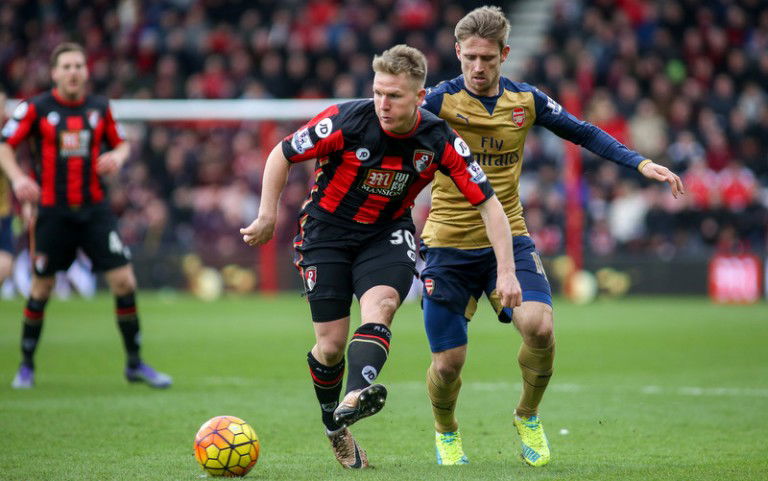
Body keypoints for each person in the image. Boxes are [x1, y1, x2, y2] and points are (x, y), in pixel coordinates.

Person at [420, 6, 685, 467]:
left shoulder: (526, 101)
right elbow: (388, 133)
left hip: (511, 236)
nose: (478, 68)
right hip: (447, 242)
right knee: (448, 364)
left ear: (505, 54)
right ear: (457, 53)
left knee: (540, 327)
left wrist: (640, 163)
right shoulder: (437, 102)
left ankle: (528, 415)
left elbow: (583, 133)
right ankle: (446, 431)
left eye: (488, 58)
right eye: (470, 59)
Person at [240, 44, 522, 470]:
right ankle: (335, 427)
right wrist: (266, 215)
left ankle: (355, 394)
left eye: (394, 96)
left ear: (419, 96)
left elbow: (489, 204)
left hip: (386, 233)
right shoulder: (346, 120)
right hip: (326, 234)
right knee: (330, 347)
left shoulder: (439, 138)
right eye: (378, 93)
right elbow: (282, 153)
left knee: (384, 304)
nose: (383, 104)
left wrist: (507, 272)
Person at [0, 42, 172, 389]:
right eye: (66, 66)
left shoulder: (99, 108)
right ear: (54, 73)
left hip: (95, 211)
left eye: (79, 65)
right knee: (41, 288)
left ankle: (135, 364)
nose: (74, 72)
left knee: (124, 282)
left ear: (86, 71)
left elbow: (121, 143)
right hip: (52, 212)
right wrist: (18, 179)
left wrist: (119, 158)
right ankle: (27, 366)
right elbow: (4, 145)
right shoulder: (35, 109)